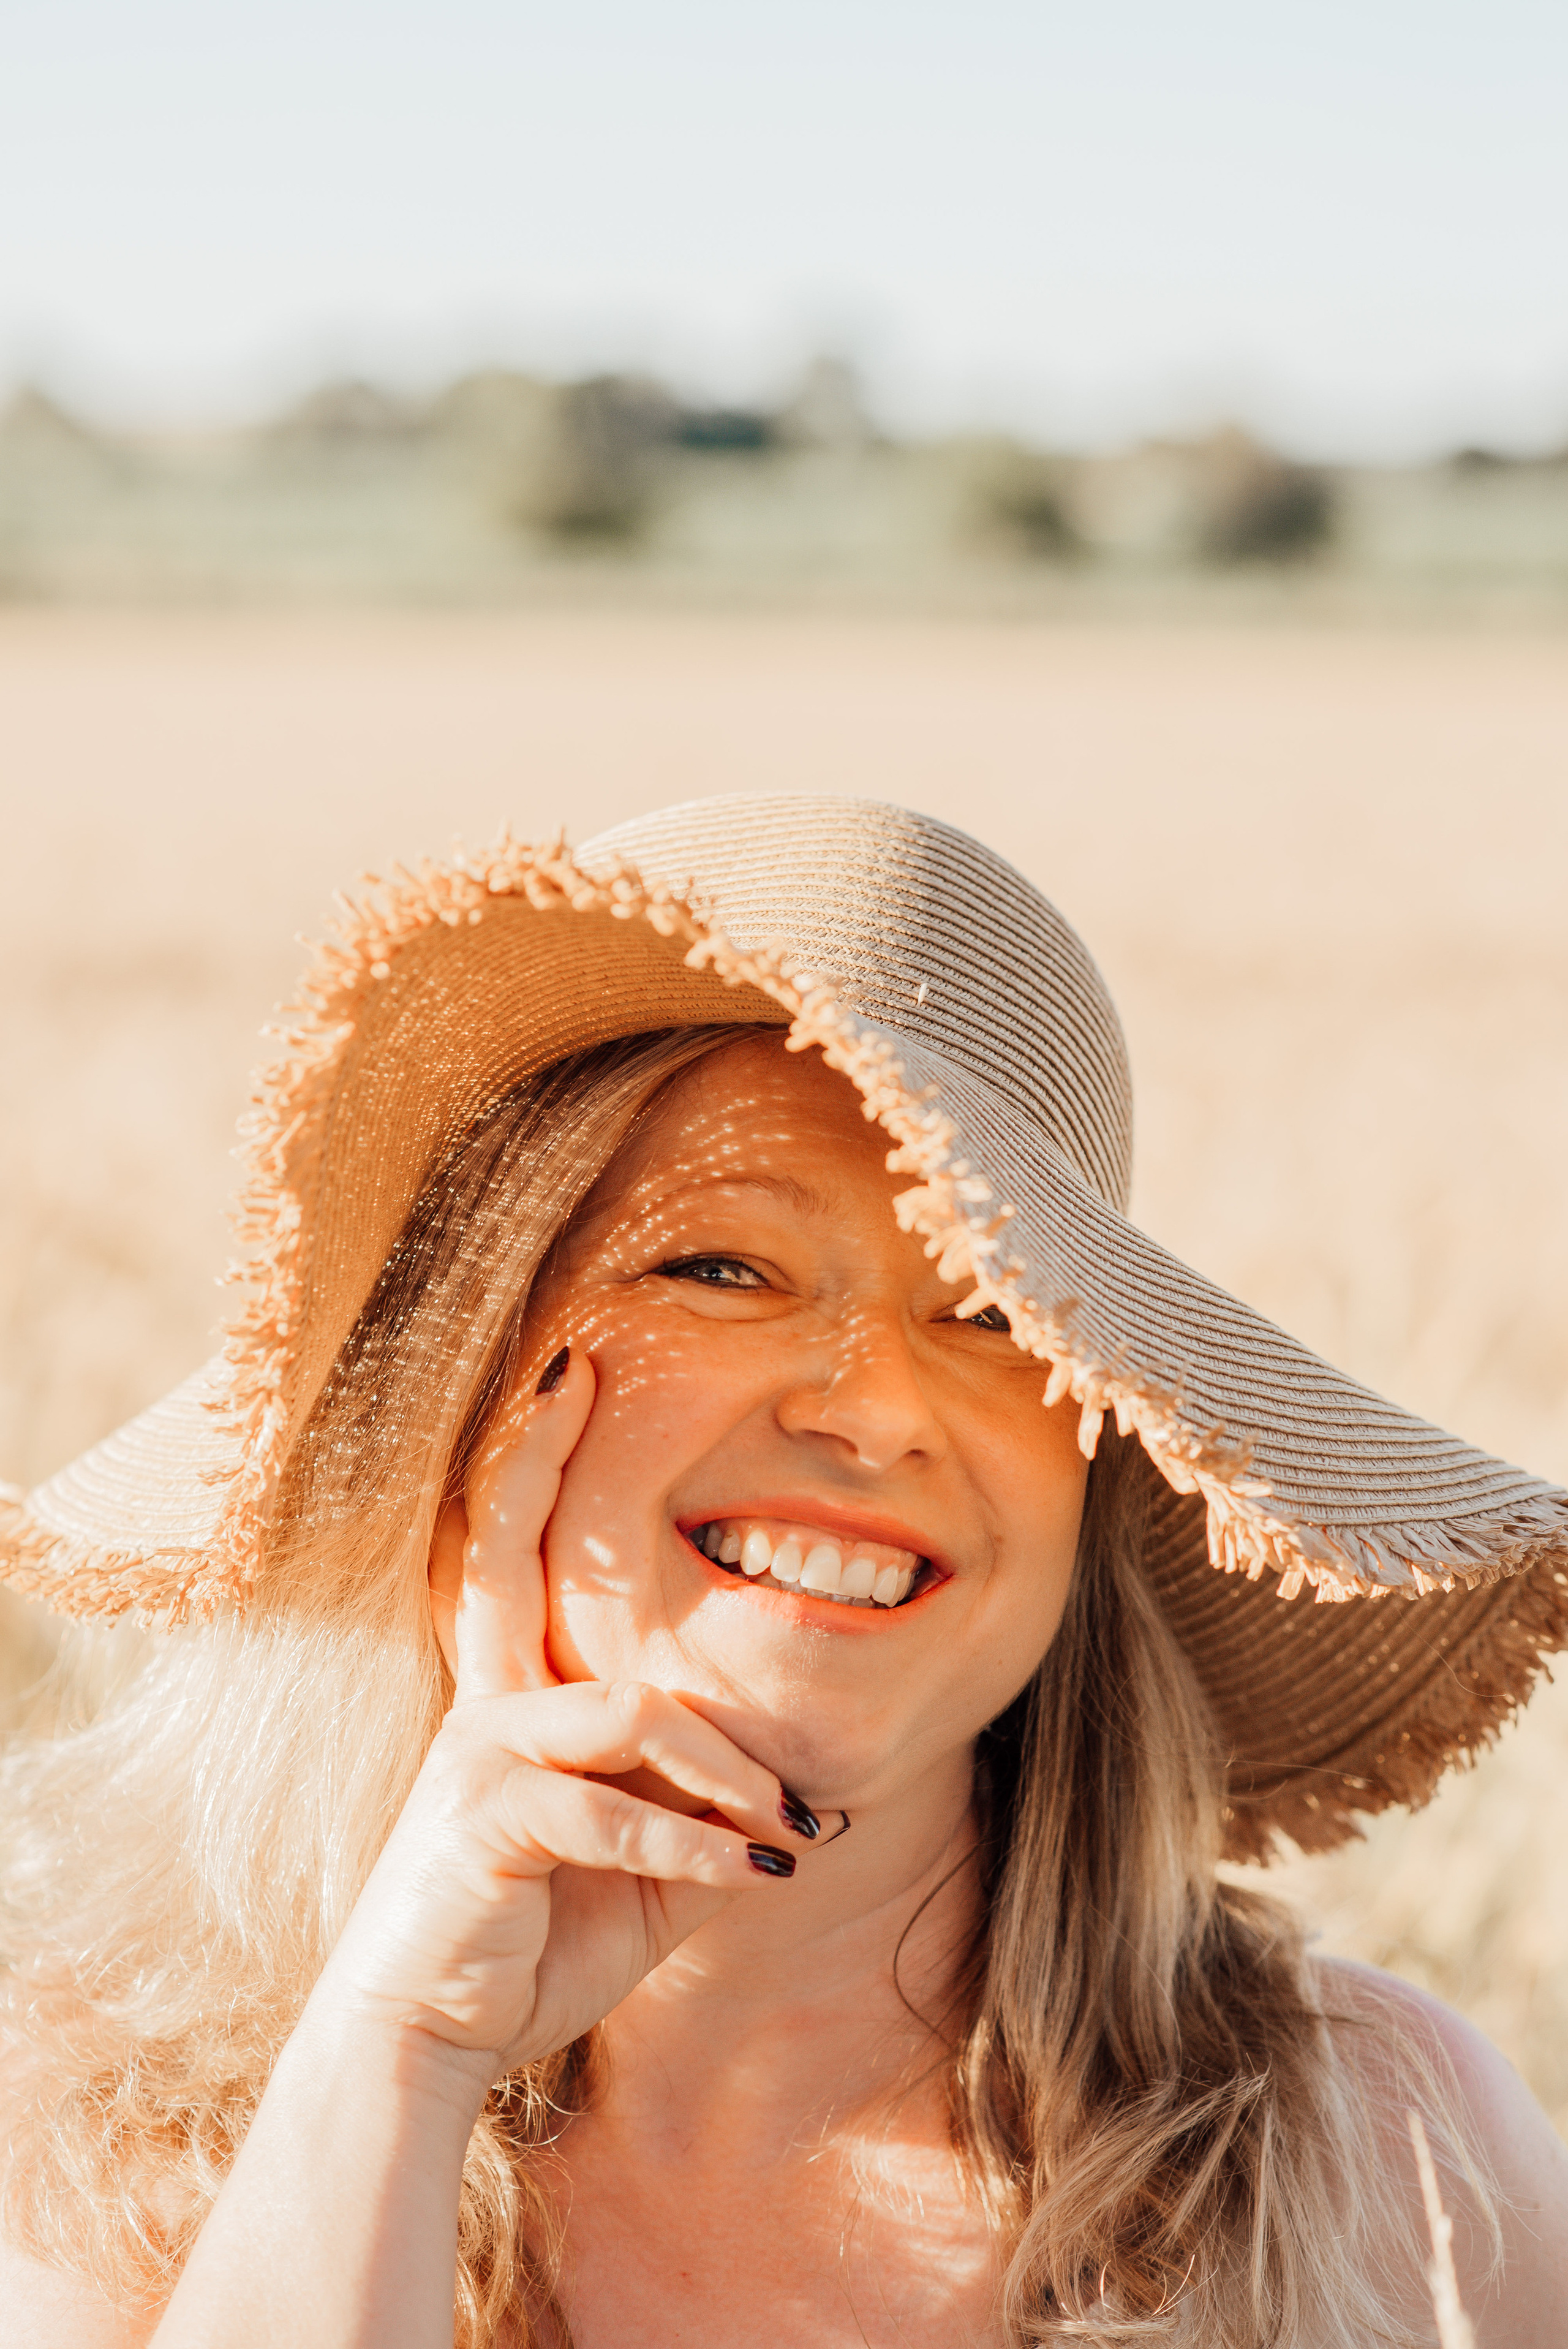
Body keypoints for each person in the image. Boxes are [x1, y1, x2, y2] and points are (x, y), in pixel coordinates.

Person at [1, 796, 1565, 2348]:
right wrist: (399, 2048)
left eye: (995, 1315)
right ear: (473, 1398)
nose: (877, 1408)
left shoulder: (1391, 2159)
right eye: (719, 1268)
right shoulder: (92, 2141)